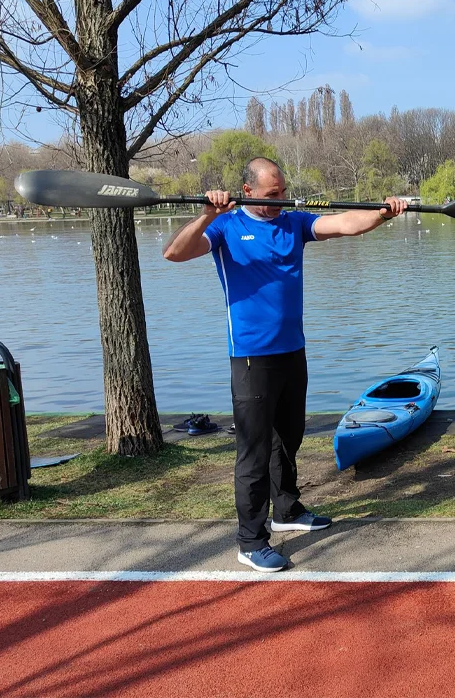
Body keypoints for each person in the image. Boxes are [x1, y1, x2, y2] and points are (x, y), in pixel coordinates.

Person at [163, 157, 408, 572]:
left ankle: (288, 511)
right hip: (251, 358)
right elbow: (174, 252)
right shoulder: (224, 227)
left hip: (293, 351)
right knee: (254, 453)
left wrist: (384, 213)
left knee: (288, 439)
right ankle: (250, 540)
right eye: (272, 194)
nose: (280, 199)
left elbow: (345, 223)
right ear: (249, 190)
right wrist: (207, 215)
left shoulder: (293, 223)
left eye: (283, 191)